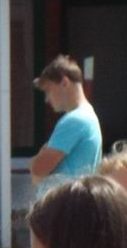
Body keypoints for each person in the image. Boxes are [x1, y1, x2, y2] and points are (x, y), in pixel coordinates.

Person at [28, 56, 102, 193]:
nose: (47, 99)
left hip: (64, 202)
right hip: (74, 200)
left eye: (48, 90)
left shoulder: (75, 120)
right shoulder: (87, 115)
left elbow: (38, 170)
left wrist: (37, 160)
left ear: (64, 83)